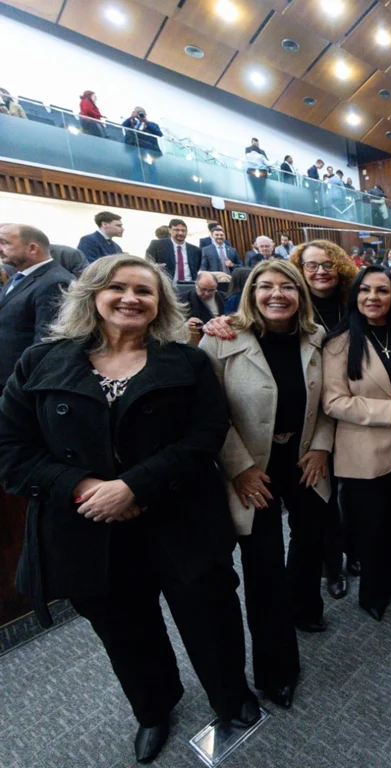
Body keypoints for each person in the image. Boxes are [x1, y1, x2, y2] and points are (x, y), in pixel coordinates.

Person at [0, 255, 260, 762]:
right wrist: (85, 488)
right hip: (89, 527)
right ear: (92, 294)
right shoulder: (40, 361)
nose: (130, 298)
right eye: (117, 287)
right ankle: (153, 708)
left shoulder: (185, 362)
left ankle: (232, 698)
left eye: (144, 290)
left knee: (211, 619)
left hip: (180, 518)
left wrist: (133, 487)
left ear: (160, 302)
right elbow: (12, 451)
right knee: (125, 630)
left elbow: (206, 436)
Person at [199, 259, 334, 710]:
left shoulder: (317, 338)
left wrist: (321, 447)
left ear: (301, 294)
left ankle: (304, 608)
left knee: (312, 539)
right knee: (263, 570)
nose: (277, 294)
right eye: (265, 286)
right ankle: (277, 669)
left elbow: (328, 403)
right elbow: (207, 414)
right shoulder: (220, 339)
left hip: (304, 461)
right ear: (250, 292)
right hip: (251, 471)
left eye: (287, 287)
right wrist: (238, 467)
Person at [322, 266, 391, 621]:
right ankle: (375, 593)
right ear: (355, 295)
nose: (373, 297)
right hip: (365, 449)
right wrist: (390, 410)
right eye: (365, 290)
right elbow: (333, 402)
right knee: (373, 526)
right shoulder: (340, 343)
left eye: (382, 291)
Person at [0, 224, 75, 390]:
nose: (0, 248)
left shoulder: (55, 282)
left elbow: (46, 342)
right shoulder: (16, 278)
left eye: (4, 242)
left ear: (32, 248)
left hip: (18, 382)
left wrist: (23, 383)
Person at [146, 219, 200, 284]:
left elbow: (197, 269)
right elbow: (147, 265)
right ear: (169, 230)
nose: (180, 233)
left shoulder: (195, 250)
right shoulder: (157, 246)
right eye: (176, 230)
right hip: (166, 286)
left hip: (189, 286)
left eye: (183, 230)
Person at [121, 107, 163, 178]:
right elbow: (123, 126)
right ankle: (137, 182)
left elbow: (159, 133)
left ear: (145, 114)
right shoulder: (133, 123)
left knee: (151, 168)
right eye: (137, 112)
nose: (139, 114)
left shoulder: (152, 124)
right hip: (136, 149)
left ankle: (154, 183)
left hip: (148, 150)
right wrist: (131, 117)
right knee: (137, 166)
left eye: (141, 113)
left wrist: (146, 122)